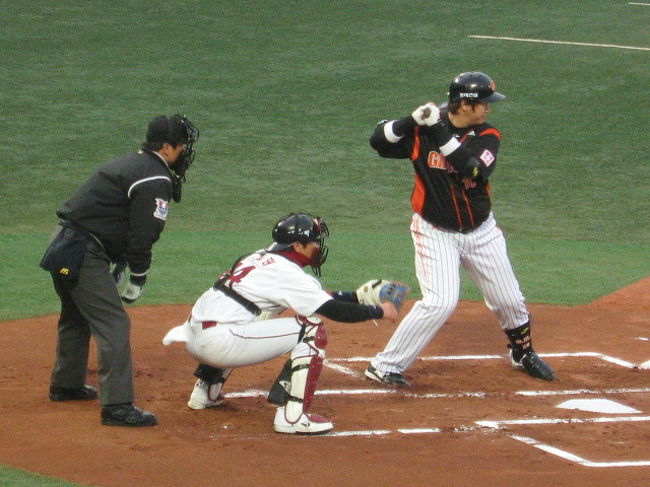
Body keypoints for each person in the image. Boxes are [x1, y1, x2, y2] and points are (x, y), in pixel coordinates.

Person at [364, 71, 555, 387]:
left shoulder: (487, 134)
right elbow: (378, 141)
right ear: (465, 104)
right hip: (435, 232)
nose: (489, 108)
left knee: (509, 300)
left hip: (481, 233)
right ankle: (385, 365)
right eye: (484, 103)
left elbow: (473, 169)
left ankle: (522, 353)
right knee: (440, 302)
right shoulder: (424, 129)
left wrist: (436, 129)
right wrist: (410, 120)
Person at [162, 212, 400, 435]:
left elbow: (316, 296)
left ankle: (205, 391)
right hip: (219, 345)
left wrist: (357, 297)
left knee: (251, 316)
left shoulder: (257, 258)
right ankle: (292, 417)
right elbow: (333, 310)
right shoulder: (286, 272)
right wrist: (379, 311)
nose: (317, 247)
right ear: (297, 246)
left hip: (194, 338)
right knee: (311, 329)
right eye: (313, 241)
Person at [40, 114, 199, 426]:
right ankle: (117, 407)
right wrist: (138, 275)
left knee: (75, 316)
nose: (184, 152)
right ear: (167, 147)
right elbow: (143, 234)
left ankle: (66, 385)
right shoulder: (154, 177)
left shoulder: (132, 162)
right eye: (181, 146)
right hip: (82, 252)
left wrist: (119, 261)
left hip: (62, 245)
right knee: (114, 324)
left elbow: (112, 216)